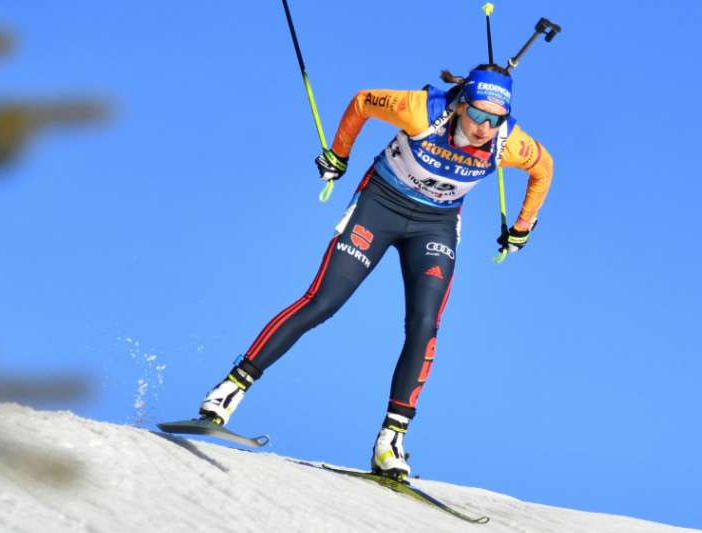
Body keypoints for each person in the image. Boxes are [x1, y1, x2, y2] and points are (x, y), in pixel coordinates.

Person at [198, 64, 554, 480]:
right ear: (461, 105)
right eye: (477, 114)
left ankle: (391, 441)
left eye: (495, 120)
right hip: (381, 204)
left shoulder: (511, 143)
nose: (483, 128)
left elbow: (543, 169)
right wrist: (338, 154)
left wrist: (522, 227)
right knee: (323, 301)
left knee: (424, 325)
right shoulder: (420, 111)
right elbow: (364, 101)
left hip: (434, 226)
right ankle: (229, 390)